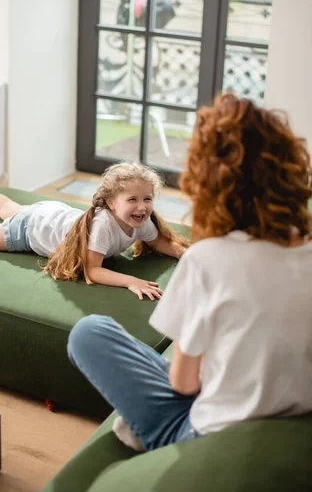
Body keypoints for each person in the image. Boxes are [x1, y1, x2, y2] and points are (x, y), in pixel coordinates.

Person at [67, 93, 312, 453]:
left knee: (90, 332)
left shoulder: (208, 259)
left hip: (212, 433)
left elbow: (183, 384)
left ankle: (150, 432)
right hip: (295, 416)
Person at [0, 162, 187, 300]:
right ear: (112, 203)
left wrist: (182, 253)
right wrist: (131, 281)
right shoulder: (103, 225)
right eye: (133, 200)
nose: (142, 207)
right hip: (32, 230)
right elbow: (93, 271)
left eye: (147, 199)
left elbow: (161, 243)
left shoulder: (142, 221)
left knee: (11, 207)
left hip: (50, 214)